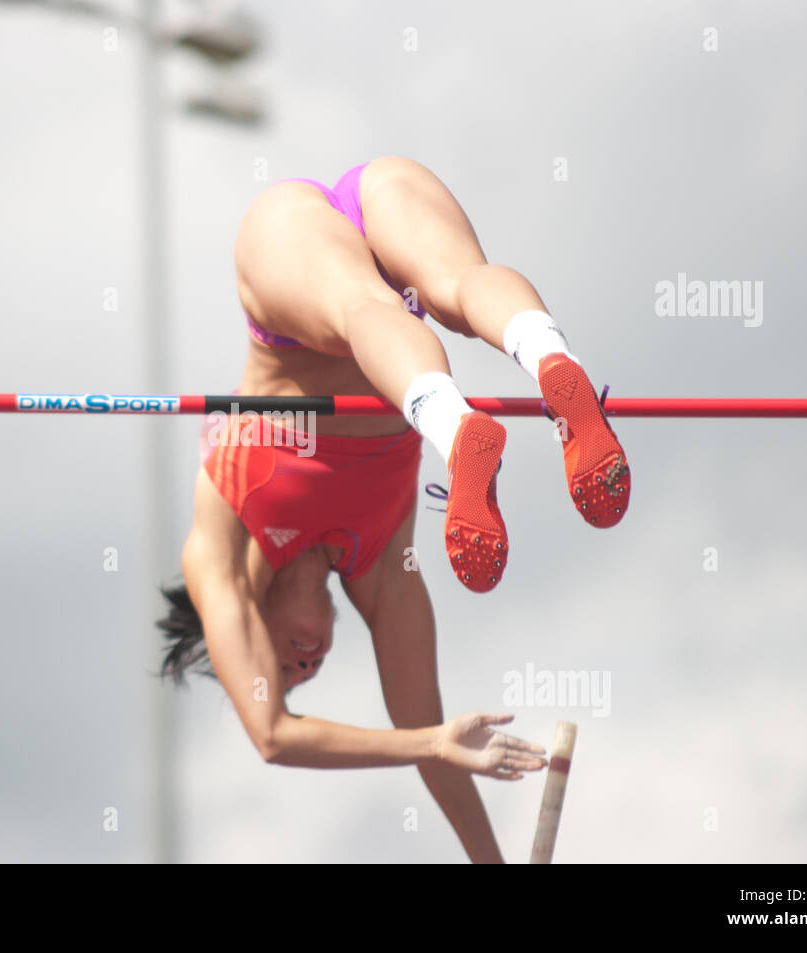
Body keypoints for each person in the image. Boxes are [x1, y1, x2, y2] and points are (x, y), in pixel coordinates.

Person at [159, 157, 629, 862]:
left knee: (361, 310)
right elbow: (432, 734)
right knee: (460, 286)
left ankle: (457, 429)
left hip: (286, 256)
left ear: (247, 619)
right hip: (381, 201)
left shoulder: (218, 549)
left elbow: (273, 735)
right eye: (304, 673)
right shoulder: (383, 570)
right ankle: (549, 358)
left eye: (283, 666)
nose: (302, 665)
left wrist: (428, 741)